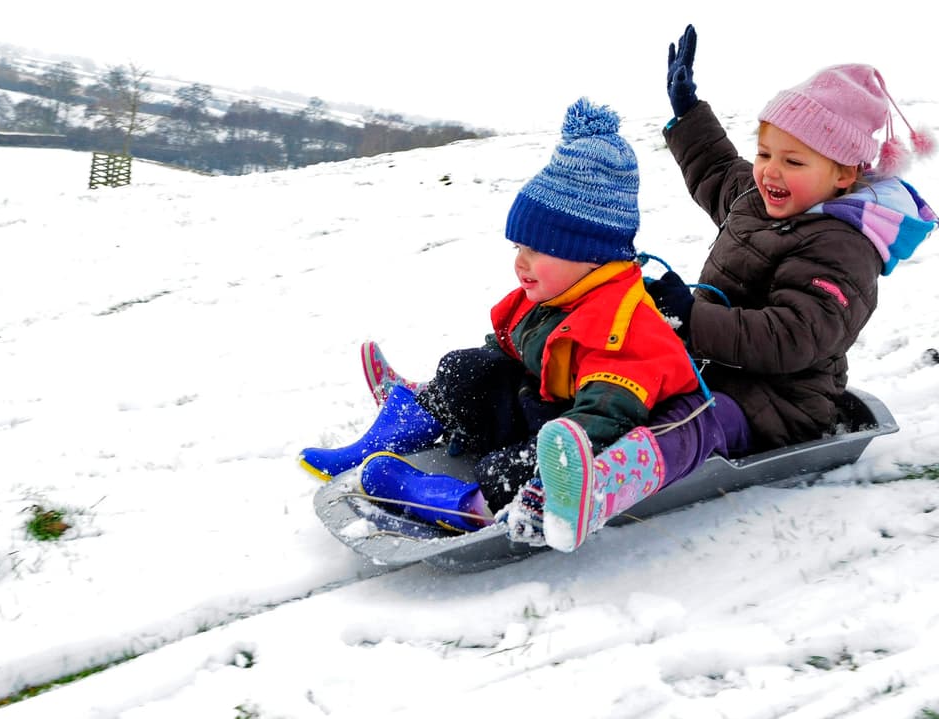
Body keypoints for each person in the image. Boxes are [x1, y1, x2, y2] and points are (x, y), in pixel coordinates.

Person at [503, 24, 938, 552]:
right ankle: (556, 452)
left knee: (690, 423)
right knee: (628, 375)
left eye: (793, 161)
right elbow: (714, 169)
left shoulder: (844, 248)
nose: (770, 171)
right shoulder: (761, 198)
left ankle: (600, 489)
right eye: (765, 153)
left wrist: (694, 317)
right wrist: (688, 112)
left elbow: (796, 335)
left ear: (844, 173)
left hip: (779, 401)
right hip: (711, 369)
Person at [298, 97, 699, 535]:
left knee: (532, 459)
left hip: (580, 428)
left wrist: (551, 460)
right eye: (518, 249)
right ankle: (400, 429)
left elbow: (602, 422)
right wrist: (462, 394)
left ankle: (471, 505)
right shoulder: (553, 292)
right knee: (467, 367)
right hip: (542, 404)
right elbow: (504, 350)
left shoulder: (626, 329)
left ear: (590, 254)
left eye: (536, 251)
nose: (520, 264)